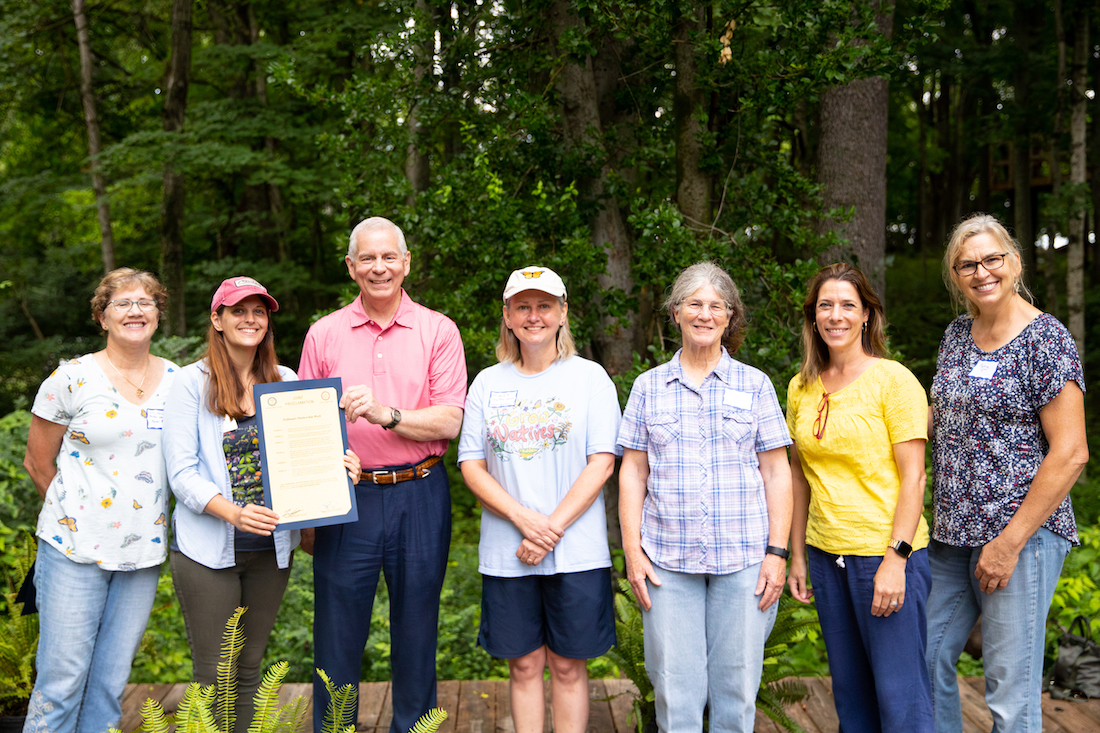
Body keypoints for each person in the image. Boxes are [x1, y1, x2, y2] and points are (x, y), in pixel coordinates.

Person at [163, 277, 361, 733]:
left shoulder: (285, 380)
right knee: (215, 677)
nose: (250, 319)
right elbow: (182, 474)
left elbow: (307, 452)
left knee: (250, 670)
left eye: (259, 311)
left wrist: (340, 466)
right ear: (217, 319)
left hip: (271, 550)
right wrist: (233, 512)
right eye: (238, 310)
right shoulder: (190, 384)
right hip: (208, 551)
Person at [299, 216, 467, 733]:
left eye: (389, 256)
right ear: (351, 267)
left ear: (406, 262)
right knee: (336, 634)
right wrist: (309, 509)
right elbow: (302, 427)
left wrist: (386, 414)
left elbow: (451, 419)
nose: (379, 267)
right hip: (346, 499)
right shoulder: (323, 333)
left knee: (417, 630)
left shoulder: (438, 330)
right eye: (367, 258)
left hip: (420, 493)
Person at [926, 214, 1087, 733]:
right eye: (967, 264)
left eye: (992, 259)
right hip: (951, 537)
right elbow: (940, 421)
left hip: (1020, 537)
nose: (982, 272)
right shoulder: (956, 334)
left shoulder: (1047, 340)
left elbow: (1071, 452)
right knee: (924, 660)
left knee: (1009, 692)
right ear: (955, 276)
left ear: (1014, 262)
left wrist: (1010, 542)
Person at [617, 261, 793, 733]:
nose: (705, 314)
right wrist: (633, 553)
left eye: (716, 306)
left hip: (744, 561)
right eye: (694, 304)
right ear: (676, 312)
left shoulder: (755, 385)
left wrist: (777, 553)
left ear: (730, 316)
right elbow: (632, 472)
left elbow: (778, 472)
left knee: (736, 692)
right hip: (666, 561)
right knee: (675, 692)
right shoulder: (647, 387)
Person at [457, 266, 620, 733]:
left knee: (569, 667)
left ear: (563, 312)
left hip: (576, 552)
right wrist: (524, 520)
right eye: (523, 306)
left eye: (544, 305)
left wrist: (548, 531)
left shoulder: (590, 379)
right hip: (509, 554)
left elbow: (602, 463)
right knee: (524, 666)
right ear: (507, 316)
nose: (534, 316)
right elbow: (472, 465)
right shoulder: (488, 383)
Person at [21, 268, 178, 733]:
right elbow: (37, 462)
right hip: (73, 551)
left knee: (110, 685)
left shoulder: (179, 381)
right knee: (62, 682)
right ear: (102, 316)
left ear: (158, 313)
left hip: (142, 555)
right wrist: (79, 516)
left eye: (145, 302)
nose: (135, 311)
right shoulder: (71, 378)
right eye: (122, 303)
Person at [785, 263, 932, 733]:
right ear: (813, 317)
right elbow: (798, 475)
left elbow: (915, 478)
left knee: (900, 695)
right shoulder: (800, 386)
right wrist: (797, 555)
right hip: (827, 555)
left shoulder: (894, 380)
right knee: (851, 694)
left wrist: (897, 558)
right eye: (825, 305)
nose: (836, 315)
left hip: (884, 554)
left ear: (867, 314)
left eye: (848, 305)